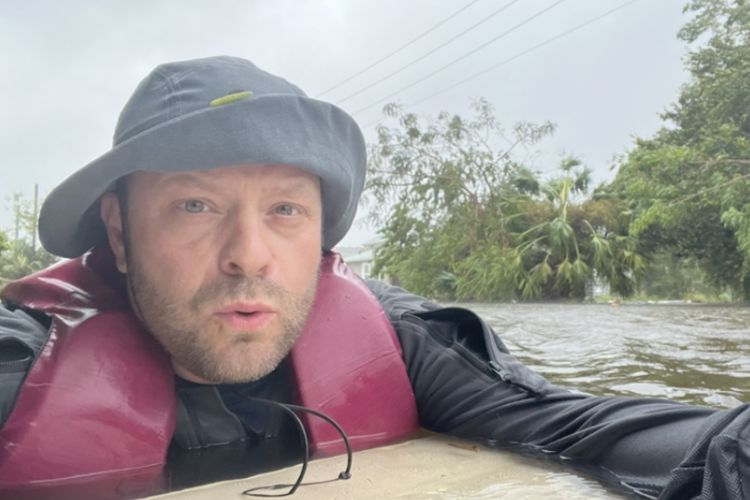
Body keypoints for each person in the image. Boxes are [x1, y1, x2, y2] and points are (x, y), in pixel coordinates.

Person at [0, 56, 747, 500]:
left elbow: (583, 429)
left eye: (287, 210)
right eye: (195, 204)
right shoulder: (21, 359)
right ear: (121, 233)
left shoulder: (396, 337)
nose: (250, 254)